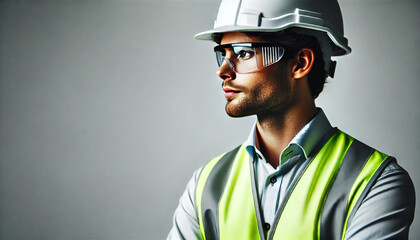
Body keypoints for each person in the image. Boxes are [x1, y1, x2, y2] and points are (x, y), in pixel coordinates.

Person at [167, 0, 415, 239]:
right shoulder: (204, 184)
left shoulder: (376, 181)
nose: (223, 70)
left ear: (300, 63)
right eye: (223, 53)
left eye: (243, 53)